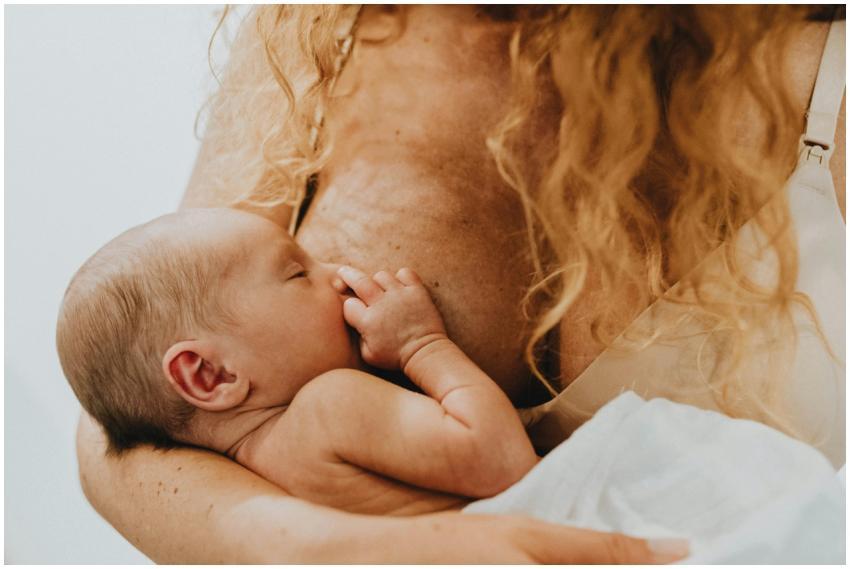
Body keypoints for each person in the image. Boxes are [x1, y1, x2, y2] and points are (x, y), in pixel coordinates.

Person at [74, 5, 844, 563]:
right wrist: (342, 550)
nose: (335, 279)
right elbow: (125, 432)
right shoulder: (321, 31)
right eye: (297, 270)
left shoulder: (821, 72)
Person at [59, 207, 539, 514]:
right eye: (296, 272)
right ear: (212, 375)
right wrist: (422, 345)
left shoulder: (251, 481)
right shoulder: (329, 405)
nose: (335, 273)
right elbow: (504, 462)